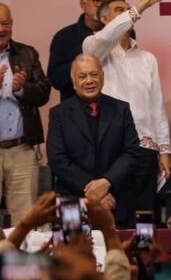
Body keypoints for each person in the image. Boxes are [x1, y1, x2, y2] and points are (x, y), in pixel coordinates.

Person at [82, 0, 171, 223]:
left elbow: (156, 106)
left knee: (144, 219)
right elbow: (104, 38)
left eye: (127, 10)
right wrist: (139, 7)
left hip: (144, 146)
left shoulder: (147, 58)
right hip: (111, 147)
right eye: (119, 11)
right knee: (110, 217)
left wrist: (164, 149)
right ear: (104, 19)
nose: (127, 14)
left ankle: (143, 250)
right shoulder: (94, 49)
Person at [46, 54, 144, 208]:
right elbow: (57, 159)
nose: (89, 81)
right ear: (74, 82)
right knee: (72, 226)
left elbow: (132, 152)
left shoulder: (121, 109)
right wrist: (94, 191)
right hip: (72, 200)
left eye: (94, 74)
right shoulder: (59, 114)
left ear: (102, 77)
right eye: (82, 76)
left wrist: (107, 182)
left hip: (115, 198)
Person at [0, 3, 49, 226]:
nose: (1, 29)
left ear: (12, 24)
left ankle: (22, 252)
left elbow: (43, 92)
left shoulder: (27, 54)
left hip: (22, 149)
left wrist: (21, 89)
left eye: (5, 23)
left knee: (25, 222)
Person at [47, 0, 111, 102]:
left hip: (114, 108)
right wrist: (83, 61)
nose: (102, 6)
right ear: (83, 4)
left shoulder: (119, 35)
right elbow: (55, 79)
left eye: (107, 2)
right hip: (76, 108)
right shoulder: (64, 37)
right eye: (97, 1)